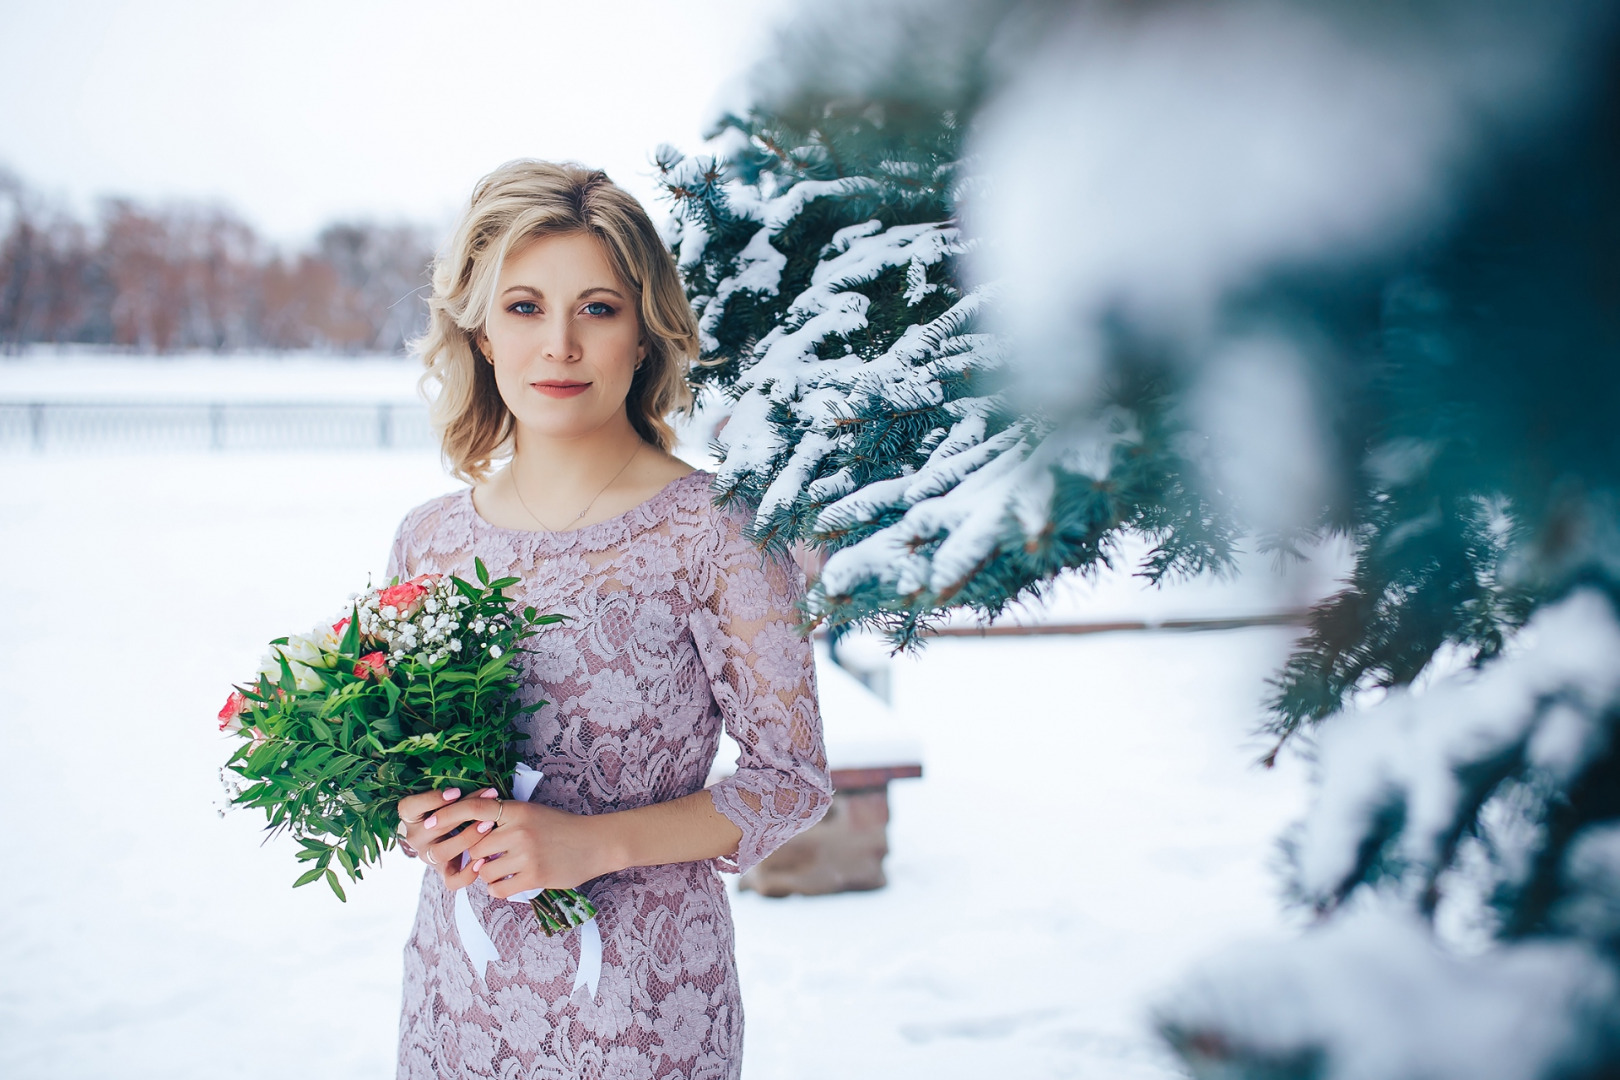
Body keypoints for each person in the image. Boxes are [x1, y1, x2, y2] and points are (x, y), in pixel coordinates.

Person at [386, 160, 832, 1079]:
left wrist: (591, 844)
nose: (559, 345)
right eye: (523, 308)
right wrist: (416, 817)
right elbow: (407, 761)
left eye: (596, 308)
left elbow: (791, 781)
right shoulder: (427, 542)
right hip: (456, 1003)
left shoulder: (719, 532)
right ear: (477, 332)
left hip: (644, 1009)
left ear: (643, 336)